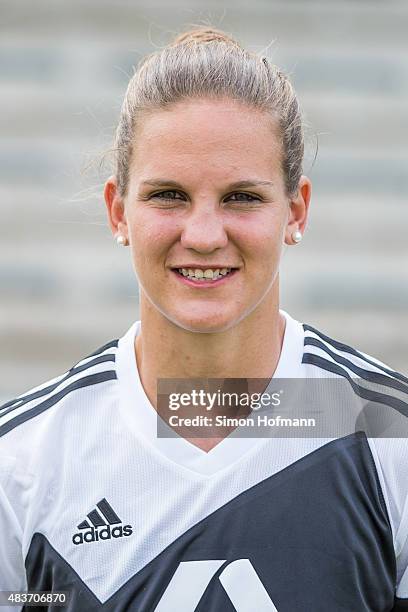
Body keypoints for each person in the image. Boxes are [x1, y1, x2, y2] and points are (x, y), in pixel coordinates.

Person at [1, 25, 407, 612]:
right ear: (118, 211)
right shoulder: (24, 461)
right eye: (168, 195)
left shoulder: (388, 439)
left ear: (295, 212)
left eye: (242, 197)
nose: (204, 236)